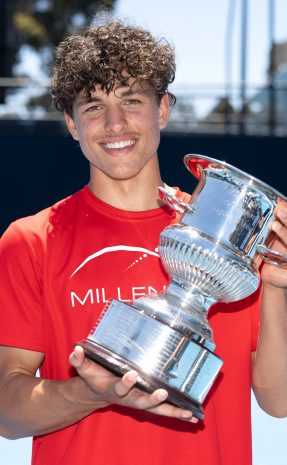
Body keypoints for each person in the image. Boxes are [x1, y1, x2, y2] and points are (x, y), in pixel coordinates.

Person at [0, 18, 287, 465]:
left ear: (164, 109)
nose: (115, 124)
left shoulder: (223, 237)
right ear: (72, 123)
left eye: (132, 100)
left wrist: (276, 286)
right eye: (93, 106)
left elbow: (278, 400)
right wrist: (90, 392)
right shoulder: (31, 241)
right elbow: (6, 412)